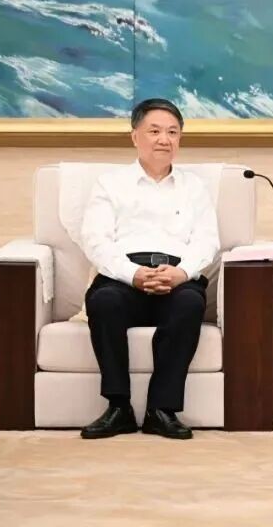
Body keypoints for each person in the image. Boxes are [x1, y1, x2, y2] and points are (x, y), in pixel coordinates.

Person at [78, 98, 220, 440]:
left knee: (190, 303)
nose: (164, 140)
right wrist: (133, 274)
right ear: (135, 137)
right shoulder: (110, 184)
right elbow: (95, 239)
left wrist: (182, 273)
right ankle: (118, 408)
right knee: (104, 301)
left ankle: (162, 410)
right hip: (123, 278)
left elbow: (208, 240)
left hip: (177, 278)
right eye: (154, 131)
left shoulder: (194, 187)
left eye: (172, 132)